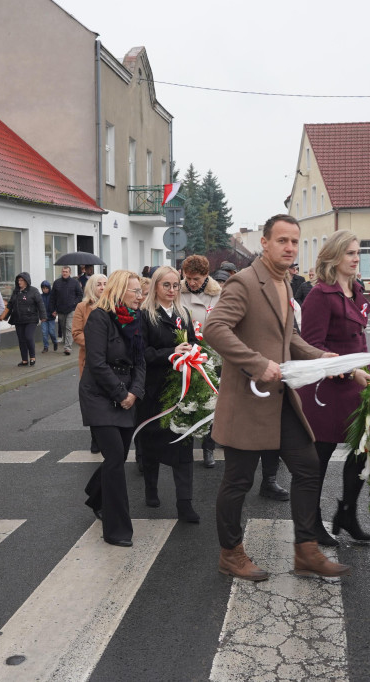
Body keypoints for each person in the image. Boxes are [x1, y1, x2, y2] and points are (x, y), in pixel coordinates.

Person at [204, 214, 352, 581]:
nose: (289, 247)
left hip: (281, 399)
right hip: (248, 402)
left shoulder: (285, 282)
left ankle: (306, 550)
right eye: (282, 240)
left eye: (294, 241)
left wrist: (322, 358)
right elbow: (214, 328)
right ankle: (230, 553)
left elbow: (291, 339)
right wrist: (257, 364)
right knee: (238, 481)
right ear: (265, 243)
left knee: (307, 467)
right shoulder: (244, 282)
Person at [297, 231, 370, 546]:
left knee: (363, 451)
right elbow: (312, 347)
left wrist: (369, 377)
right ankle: (311, 522)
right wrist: (350, 371)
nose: (356, 259)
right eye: (349, 253)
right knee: (320, 458)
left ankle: (347, 513)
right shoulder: (320, 295)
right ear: (333, 257)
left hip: (358, 385)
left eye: (357, 252)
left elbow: (359, 340)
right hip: (327, 390)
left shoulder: (356, 290)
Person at [80, 270, 146, 547]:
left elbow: (140, 361)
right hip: (100, 396)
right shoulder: (99, 317)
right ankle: (117, 529)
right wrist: (121, 394)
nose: (140, 296)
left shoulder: (136, 318)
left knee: (115, 460)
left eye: (141, 291)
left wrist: (135, 392)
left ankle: (96, 494)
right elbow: (96, 363)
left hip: (126, 396)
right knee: (116, 458)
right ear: (119, 291)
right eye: (135, 291)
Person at [136, 266, 200, 524]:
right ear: (155, 286)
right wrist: (171, 353)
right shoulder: (145, 315)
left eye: (176, 285)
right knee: (151, 444)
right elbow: (142, 353)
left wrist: (193, 352)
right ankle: (151, 489)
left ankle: (185, 503)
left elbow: (193, 341)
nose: (172, 290)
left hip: (180, 390)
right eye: (167, 285)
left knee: (183, 444)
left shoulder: (183, 313)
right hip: (154, 391)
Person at [179, 254, 222, 468]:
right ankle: (183, 446)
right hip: (186, 353)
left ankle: (208, 447)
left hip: (212, 355)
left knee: (211, 403)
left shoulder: (218, 294)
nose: (191, 283)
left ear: (206, 275)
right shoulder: (179, 292)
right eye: (188, 278)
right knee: (186, 402)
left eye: (196, 278)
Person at [73, 273, 108, 454]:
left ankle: (107, 436)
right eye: (98, 284)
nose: (102, 287)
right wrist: (96, 344)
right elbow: (76, 333)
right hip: (89, 360)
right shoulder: (82, 307)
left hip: (110, 360)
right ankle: (95, 436)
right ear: (91, 287)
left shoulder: (112, 305)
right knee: (93, 400)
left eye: (105, 284)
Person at [6, 272, 46, 367]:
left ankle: (32, 357)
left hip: (31, 319)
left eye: (22, 280)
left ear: (27, 281)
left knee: (28, 337)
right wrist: (4, 316)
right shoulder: (16, 291)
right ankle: (24, 359)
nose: (19, 282)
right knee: (21, 340)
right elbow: (10, 304)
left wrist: (43, 316)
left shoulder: (33, 291)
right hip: (18, 319)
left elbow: (40, 304)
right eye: (18, 280)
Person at [49, 266, 84, 356]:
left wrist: (74, 303)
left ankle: (68, 347)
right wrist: (53, 309)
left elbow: (80, 295)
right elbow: (52, 297)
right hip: (60, 309)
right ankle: (66, 341)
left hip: (71, 309)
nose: (64, 273)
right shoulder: (57, 283)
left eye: (66, 272)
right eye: (63, 271)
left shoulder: (75, 283)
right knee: (63, 327)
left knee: (69, 327)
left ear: (70, 273)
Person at [39, 280, 57, 353]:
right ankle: (45, 347)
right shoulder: (40, 297)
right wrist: (40, 316)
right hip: (43, 318)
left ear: (49, 288)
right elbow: (38, 307)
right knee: (44, 333)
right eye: (43, 288)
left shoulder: (52, 296)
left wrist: (55, 311)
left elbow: (56, 305)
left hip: (51, 317)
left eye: (46, 288)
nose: (45, 290)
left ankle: (55, 342)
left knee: (51, 332)